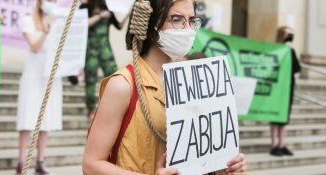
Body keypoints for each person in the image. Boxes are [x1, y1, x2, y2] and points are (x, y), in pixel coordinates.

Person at [82, 0, 247, 174]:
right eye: (176, 19)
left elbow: (199, 159)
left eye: (192, 20)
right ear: (151, 23)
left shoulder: (197, 81)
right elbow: (91, 165)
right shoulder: (123, 85)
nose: (187, 28)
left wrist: (225, 167)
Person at [15, 0, 62, 174]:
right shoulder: (28, 20)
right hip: (32, 76)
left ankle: (41, 161)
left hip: (50, 76)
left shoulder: (60, 20)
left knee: (46, 120)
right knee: (27, 119)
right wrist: (46, 30)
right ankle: (21, 161)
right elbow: (35, 47)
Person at [79, 0, 127, 120]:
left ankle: (115, 105)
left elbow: (119, 26)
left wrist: (128, 13)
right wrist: (100, 16)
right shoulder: (84, 7)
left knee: (115, 76)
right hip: (90, 50)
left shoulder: (108, 8)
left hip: (105, 49)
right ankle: (91, 110)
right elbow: (82, 25)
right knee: (90, 79)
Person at [269, 26, 301, 157]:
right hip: (277, 87)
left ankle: (281, 144)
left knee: (284, 117)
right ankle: (274, 144)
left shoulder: (290, 51)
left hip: (288, 87)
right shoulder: (275, 50)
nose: (290, 37)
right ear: (281, 35)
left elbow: (297, 67)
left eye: (291, 34)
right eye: (288, 34)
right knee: (275, 117)